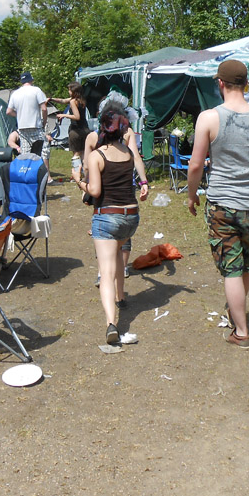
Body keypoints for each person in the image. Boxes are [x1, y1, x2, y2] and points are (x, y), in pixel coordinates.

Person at [187, 60, 249, 349]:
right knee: (246, 264)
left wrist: (191, 195)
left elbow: (196, 164)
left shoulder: (209, 118)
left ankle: (242, 331)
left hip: (223, 205)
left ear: (220, 83)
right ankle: (236, 313)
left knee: (232, 268)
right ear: (246, 84)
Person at [72, 103, 149, 345]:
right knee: (117, 253)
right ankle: (121, 296)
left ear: (102, 128)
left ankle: (111, 323)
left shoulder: (98, 155)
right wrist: (144, 182)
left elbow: (94, 190)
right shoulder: (128, 153)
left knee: (105, 272)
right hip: (131, 217)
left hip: (107, 217)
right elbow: (136, 169)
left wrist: (78, 181)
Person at [6, 72, 49, 169]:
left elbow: (8, 111)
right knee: (44, 151)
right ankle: (47, 175)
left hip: (22, 127)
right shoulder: (36, 90)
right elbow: (44, 108)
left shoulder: (15, 93)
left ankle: (25, 172)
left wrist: (19, 115)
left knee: (25, 152)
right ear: (31, 80)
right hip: (35, 126)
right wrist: (44, 122)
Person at [51, 81, 90, 163]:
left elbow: (77, 117)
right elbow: (63, 101)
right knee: (83, 152)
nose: (68, 91)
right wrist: (51, 99)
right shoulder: (81, 99)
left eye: (69, 90)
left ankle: (76, 169)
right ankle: (84, 169)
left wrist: (64, 115)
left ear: (74, 91)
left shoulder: (73, 102)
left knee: (76, 154)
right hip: (85, 129)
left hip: (75, 131)